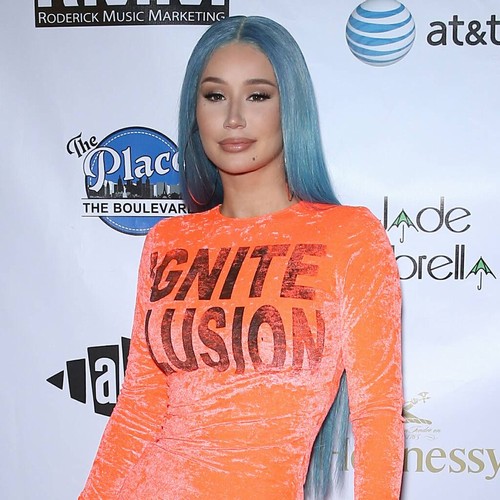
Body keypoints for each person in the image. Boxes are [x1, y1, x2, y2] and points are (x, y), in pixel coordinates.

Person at [80, 15, 404, 500]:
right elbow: (139, 407)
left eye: (257, 96)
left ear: (290, 107)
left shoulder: (349, 236)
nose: (233, 118)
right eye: (215, 96)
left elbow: (377, 412)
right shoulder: (169, 239)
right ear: (195, 111)